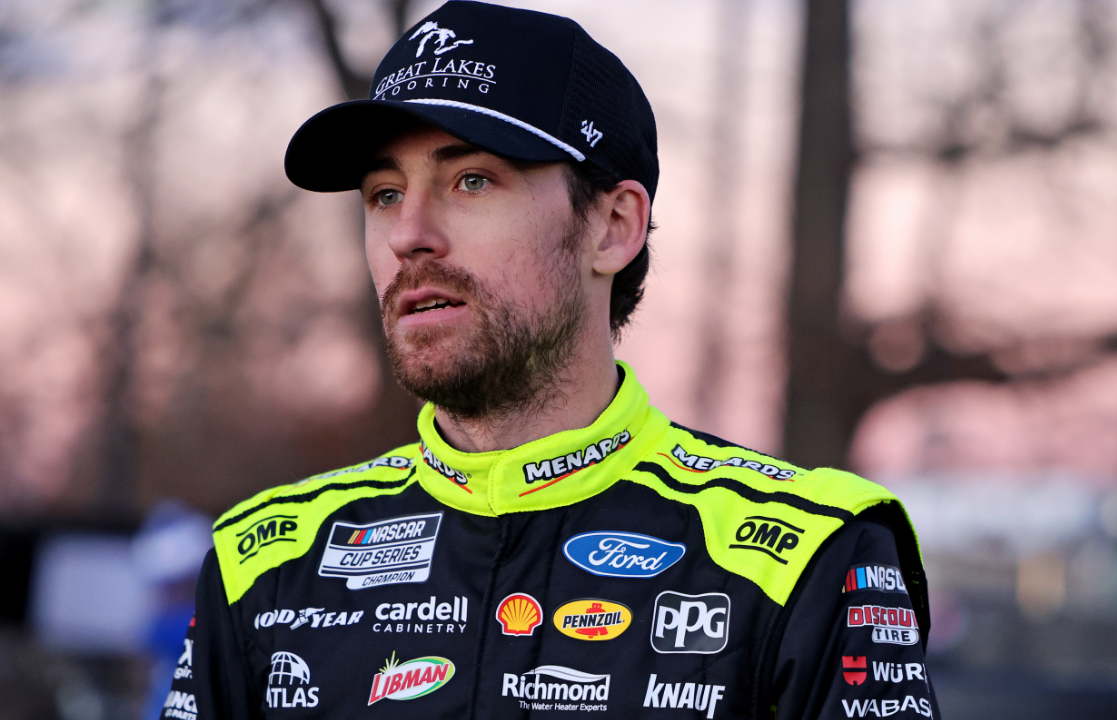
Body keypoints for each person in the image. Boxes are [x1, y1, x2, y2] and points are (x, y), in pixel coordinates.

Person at [162, 2, 937, 718]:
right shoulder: (260, 567)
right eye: (384, 195)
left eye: (471, 180)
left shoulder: (808, 557)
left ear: (612, 227)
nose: (408, 235)